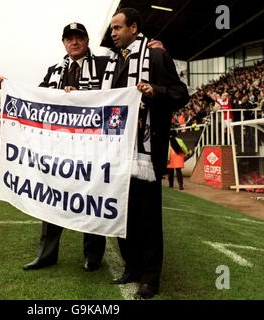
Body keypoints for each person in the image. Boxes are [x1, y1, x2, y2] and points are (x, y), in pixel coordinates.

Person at [0, 22, 108, 272]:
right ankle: (46, 254)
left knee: (92, 196)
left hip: (93, 146)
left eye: (79, 37)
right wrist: (8, 88)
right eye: (69, 39)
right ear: (64, 43)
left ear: (87, 40)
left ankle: (93, 255)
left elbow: (112, 95)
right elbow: (37, 98)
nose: (74, 42)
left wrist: (78, 96)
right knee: (51, 198)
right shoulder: (54, 70)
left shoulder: (104, 65)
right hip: (58, 147)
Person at [103, 8, 189, 299]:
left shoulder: (156, 56)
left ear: (134, 28)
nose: (112, 33)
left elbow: (180, 93)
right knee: (123, 213)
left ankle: (151, 277)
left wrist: (155, 91)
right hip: (116, 152)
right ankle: (132, 267)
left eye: (117, 28)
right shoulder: (113, 62)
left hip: (145, 153)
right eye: (111, 29)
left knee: (148, 216)